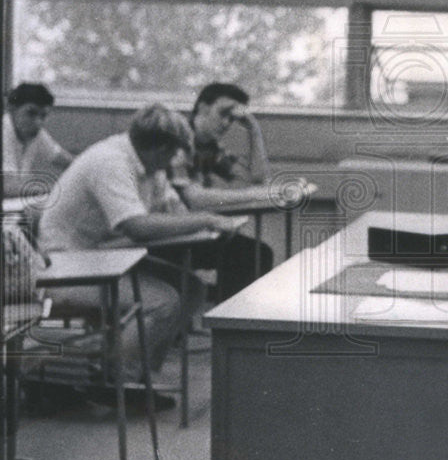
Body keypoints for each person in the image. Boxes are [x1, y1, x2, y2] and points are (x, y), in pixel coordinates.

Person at [37, 104, 236, 401]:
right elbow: (137, 227)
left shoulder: (149, 164)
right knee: (161, 302)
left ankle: (135, 374)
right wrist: (206, 220)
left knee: (190, 288)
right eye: (172, 153)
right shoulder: (111, 161)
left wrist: (195, 222)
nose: (174, 161)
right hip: (63, 266)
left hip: (97, 257)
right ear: (159, 147)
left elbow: (172, 210)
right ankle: (114, 381)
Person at [168, 82, 275, 300]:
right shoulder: (178, 142)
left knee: (256, 254)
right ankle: (230, 323)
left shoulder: (210, 149)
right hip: (166, 236)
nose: (227, 123)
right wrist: (253, 195)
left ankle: (236, 320)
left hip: (191, 232)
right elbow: (195, 200)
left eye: (233, 119)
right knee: (249, 255)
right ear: (203, 107)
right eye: (223, 114)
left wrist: (253, 129)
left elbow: (257, 178)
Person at [2, 83, 72, 196]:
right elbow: (9, 187)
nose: (39, 122)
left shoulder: (36, 133)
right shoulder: (4, 130)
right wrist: (59, 188)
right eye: (31, 113)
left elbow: (66, 160)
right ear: (12, 109)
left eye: (43, 116)